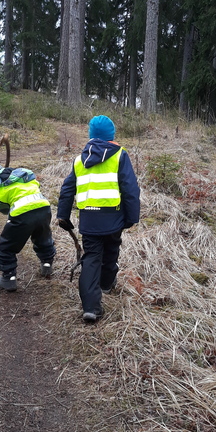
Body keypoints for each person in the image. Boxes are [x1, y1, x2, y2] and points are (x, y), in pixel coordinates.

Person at [56, 115, 140, 323]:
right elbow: (130, 189)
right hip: (113, 218)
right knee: (111, 253)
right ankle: (105, 284)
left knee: (91, 259)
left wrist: (63, 216)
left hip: (89, 220)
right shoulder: (120, 155)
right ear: (111, 135)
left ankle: (91, 308)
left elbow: (67, 190)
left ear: (91, 135)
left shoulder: (79, 160)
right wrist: (131, 217)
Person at [0, 156, 56, 292]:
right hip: (44, 208)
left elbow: (4, 209)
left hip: (22, 215)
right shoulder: (22, 174)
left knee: (6, 247)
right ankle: (47, 265)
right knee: (43, 238)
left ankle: (8, 279)